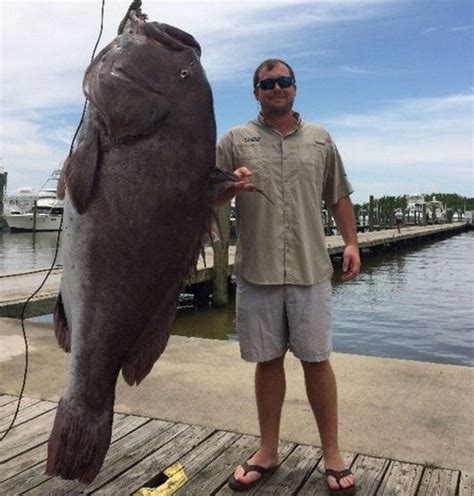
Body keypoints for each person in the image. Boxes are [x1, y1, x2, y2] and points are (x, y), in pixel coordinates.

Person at [215, 59, 360, 494]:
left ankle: (332, 454)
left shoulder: (320, 138)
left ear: (295, 87)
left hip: (311, 268)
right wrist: (230, 187)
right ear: (255, 92)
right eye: (267, 83)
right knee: (267, 361)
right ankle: (267, 450)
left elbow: (338, 195)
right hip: (257, 270)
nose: (276, 88)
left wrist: (352, 243)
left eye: (284, 81)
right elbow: (210, 194)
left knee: (317, 360)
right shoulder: (234, 140)